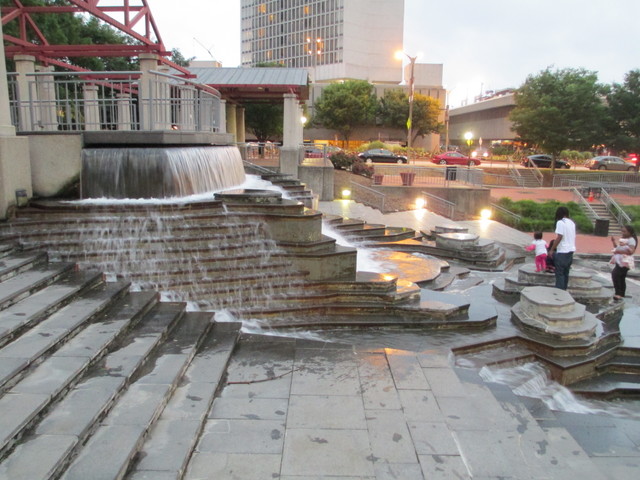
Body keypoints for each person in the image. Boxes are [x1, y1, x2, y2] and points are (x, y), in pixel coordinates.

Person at [548, 206, 576, 290]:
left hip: (562, 252)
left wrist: (552, 250)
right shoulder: (572, 223)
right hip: (570, 251)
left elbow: (559, 237)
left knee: (559, 273)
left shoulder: (560, 222)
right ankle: (564, 290)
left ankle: (559, 292)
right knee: (565, 273)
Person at [610, 225, 637, 301]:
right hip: (620, 261)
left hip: (625, 261)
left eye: (625, 231)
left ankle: (619, 293)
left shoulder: (631, 240)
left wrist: (618, 251)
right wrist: (613, 242)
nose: (623, 233)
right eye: (622, 231)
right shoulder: (624, 239)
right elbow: (617, 247)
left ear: (630, 232)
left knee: (616, 275)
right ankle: (621, 293)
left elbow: (631, 251)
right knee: (620, 277)